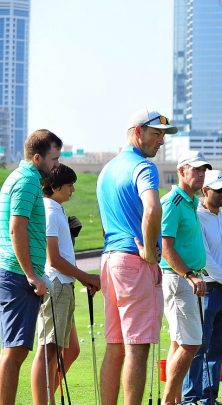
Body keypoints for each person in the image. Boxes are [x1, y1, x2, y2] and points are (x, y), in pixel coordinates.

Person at [97, 109, 177, 404]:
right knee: (137, 347)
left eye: (163, 136)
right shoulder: (143, 167)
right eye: (156, 134)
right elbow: (153, 209)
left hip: (111, 260)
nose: (161, 142)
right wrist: (149, 252)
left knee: (115, 346)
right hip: (135, 261)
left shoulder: (107, 170)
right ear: (137, 132)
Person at [0, 129, 62, 404]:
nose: (56, 165)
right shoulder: (27, 181)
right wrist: (31, 275)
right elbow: (17, 229)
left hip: (14, 272)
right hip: (17, 274)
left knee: (15, 350)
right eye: (53, 158)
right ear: (37, 158)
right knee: (14, 352)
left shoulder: (22, 177)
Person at [31, 164, 101, 404]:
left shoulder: (57, 209)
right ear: (54, 186)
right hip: (56, 285)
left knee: (71, 350)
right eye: (69, 185)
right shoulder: (49, 210)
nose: (73, 189)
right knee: (49, 350)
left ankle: (47, 395)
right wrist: (87, 277)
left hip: (64, 285)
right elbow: (53, 259)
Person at [160, 150, 210, 405]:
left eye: (204, 170)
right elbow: (165, 246)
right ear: (182, 171)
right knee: (191, 343)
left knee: (179, 342)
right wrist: (189, 275)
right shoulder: (174, 202)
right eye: (196, 169)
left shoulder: (190, 202)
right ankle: (169, 401)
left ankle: (174, 399)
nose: (201, 174)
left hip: (186, 279)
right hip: (179, 279)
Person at [182, 169, 222, 405]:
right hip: (207, 288)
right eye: (219, 190)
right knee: (198, 346)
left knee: (218, 348)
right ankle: (191, 397)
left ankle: (208, 397)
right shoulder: (197, 216)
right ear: (205, 191)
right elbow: (206, 258)